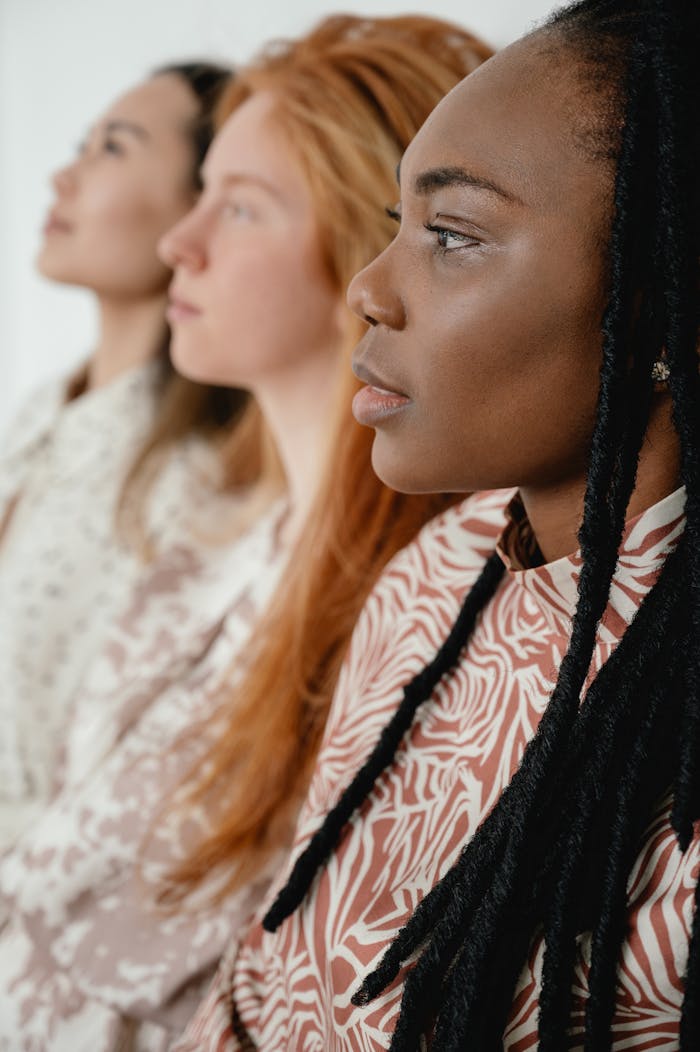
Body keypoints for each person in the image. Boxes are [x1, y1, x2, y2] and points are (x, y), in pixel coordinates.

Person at [175, 0, 700, 1048]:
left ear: (657, 304)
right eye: (395, 228)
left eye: (452, 235)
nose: (370, 291)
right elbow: (261, 981)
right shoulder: (445, 563)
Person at [0, 16, 491, 1050]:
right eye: (202, 192)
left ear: (367, 256)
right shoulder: (195, 539)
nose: (183, 240)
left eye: (242, 207)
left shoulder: (424, 609)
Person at [0, 62, 236, 847]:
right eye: (82, 143)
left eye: (112, 148)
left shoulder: (193, 485)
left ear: (201, 206)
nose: (63, 176)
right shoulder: (40, 417)